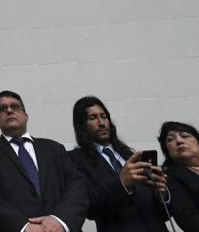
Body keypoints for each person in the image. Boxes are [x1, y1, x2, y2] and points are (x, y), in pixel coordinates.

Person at [0, 90, 87, 232]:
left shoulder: (54, 148)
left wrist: (59, 220)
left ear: (26, 116)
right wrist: (24, 227)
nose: (9, 110)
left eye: (15, 106)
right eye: (2, 109)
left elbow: (77, 188)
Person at [69, 96, 170, 231]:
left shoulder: (130, 155)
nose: (101, 123)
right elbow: (90, 208)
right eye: (93, 118)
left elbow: (164, 215)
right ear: (82, 125)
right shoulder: (75, 159)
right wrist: (122, 183)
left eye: (104, 116)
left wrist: (162, 194)